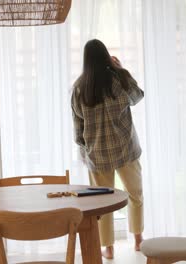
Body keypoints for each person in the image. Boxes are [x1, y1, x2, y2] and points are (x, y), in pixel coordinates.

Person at [71, 39, 144, 259]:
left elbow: (78, 124)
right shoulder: (118, 79)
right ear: (105, 56)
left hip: (98, 154)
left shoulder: (79, 88)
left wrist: (83, 148)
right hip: (126, 149)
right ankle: (139, 240)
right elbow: (138, 96)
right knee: (135, 194)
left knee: (102, 203)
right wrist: (121, 68)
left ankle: (109, 248)